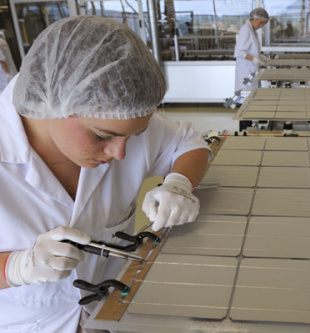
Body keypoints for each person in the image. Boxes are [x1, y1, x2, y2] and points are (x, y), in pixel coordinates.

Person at [0, 15, 211, 332]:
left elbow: (190, 143)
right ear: (54, 102)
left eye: (134, 136)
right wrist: (15, 268)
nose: (120, 153)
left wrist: (179, 183)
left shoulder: (116, 115)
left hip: (112, 309)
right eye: (101, 136)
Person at [234, 7, 270, 92]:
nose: (261, 26)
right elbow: (239, 51)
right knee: (246, 94)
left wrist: (260, 56)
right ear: (255, 18)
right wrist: (254, 59)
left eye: (263, 25)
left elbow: (252, 49)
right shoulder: (245, 29)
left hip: (252, 69)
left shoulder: (252, 30)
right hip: (246, 69)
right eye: (260, 23)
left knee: (252, 93)